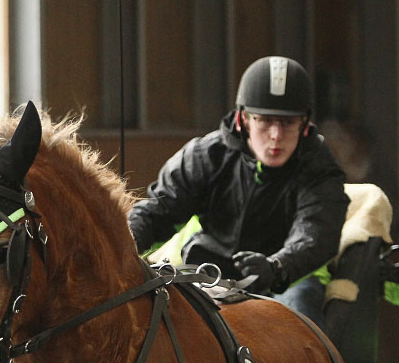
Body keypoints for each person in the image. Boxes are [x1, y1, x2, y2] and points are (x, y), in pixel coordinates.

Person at [128, 56, 349, 328]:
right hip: (205, 270)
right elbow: (156, 212)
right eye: (265, 121)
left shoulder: (320, 167)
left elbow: (316, 233)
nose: (276, 136)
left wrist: (277, 267)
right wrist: (124, 244)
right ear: (243, 119)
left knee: (298, 318)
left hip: (288, 280)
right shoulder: (204, 156)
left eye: (288, 123)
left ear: (305, 124)